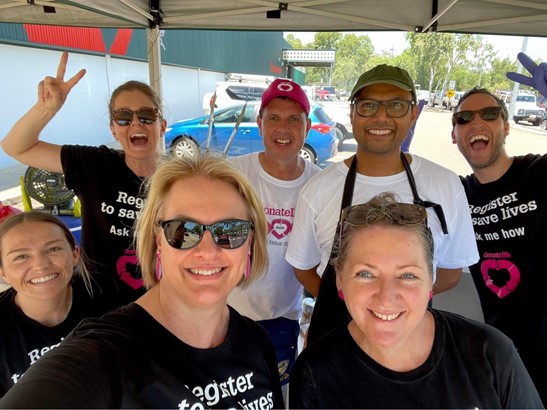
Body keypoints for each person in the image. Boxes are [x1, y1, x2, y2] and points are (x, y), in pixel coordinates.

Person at [0, 154, 284, 409]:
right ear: (157, 241)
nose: (207, 251)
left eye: (230, 231)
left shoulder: (255, 340)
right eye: (183, 230)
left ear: (250, 243)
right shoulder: (105, 355)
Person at [289, 192, 542, 409]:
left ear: (430, 281)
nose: (386, 297)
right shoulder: (315, 372)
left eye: (408, 275)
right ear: (340, 281)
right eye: (366, 274)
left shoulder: (491, 353)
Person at [285, 64, 479, 344]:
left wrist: (397, 307)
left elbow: (450, 273)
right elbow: (302, 267)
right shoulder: (318, 188)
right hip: (334, 344)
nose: (381, 116)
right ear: (352, 114)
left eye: (396, 105)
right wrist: (349, 300)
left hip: (410, 345)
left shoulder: (445, 184)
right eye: (368, 105)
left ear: (413, 113)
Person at [0, 51, 167, 306]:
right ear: (113, 128)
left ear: (162, 125)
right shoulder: (94, 164)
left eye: (147, 116)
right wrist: (46, 109)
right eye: (123, 117)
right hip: (98, 303)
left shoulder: (177, 178)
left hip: (163, 301)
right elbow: (16, 147)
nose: (136, 123)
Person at [451, 86, 547, 404]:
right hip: (503, 352)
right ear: (455, 135)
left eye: (490, 114)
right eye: (464, 118)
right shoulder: (457, 193)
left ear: (506, 127)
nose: (477, 123)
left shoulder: (538, 172)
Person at [227, 78, 321, 398]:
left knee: (274, 397)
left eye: (294, 119)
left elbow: (330, 257)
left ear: (307, 127)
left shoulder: (321, 185)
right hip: (226, 315)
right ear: (260, 124)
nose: (284, 128)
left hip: (283, 317)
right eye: (274, 118)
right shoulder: (233, 175)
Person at [0, 211, 115, 397]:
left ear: (75, 254)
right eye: (21, 256)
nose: (40, 265)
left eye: (53, 249)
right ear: (3, 272)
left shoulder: (107, 293)